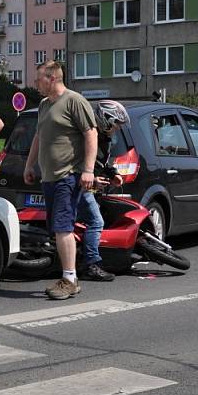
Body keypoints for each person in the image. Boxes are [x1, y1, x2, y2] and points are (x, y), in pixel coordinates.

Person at [24, 61, 97, 300]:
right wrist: (29, 164)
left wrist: (88, 170)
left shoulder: (74, 101)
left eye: (39, 79)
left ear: (52, 78)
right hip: (49, 176)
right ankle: (68, 273)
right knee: (57, 228)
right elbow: (38, 136)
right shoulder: (45, 105)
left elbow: (91, 133)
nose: (35, 84)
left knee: (63, 226)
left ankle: (70, 279)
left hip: (69, 174)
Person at [77, 100, 131, 282]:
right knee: (96, 221)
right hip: (79, 186)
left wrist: (112, 173)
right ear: (106, 120)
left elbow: (98, 163)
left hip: (86, 186)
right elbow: (79, 164)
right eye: (116, 124)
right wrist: (92, 180)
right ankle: (91, 264)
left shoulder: (104, 137)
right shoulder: (89, 136)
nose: (117, 129)